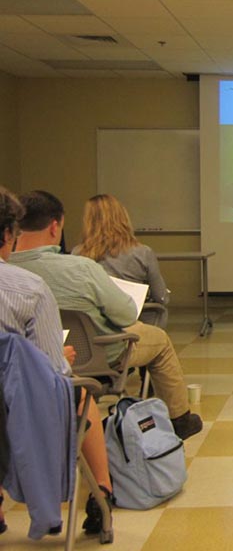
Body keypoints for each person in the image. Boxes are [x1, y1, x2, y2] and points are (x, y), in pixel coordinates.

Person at [10, 191, 203, 440]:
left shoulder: (11, 271)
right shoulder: (80, 268)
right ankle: (180, 419)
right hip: (99, 352)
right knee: (160, 340)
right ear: (55, 226)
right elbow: (125, 314)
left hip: (31, 360)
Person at [0, 187, 113, 536]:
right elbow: (54, 374)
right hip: (16, 408)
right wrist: (44, 358)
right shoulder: (28, 288)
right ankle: (104, 496)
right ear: (8, 235)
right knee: (79, 391)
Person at [73, 194, 169, 328]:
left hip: (94, 327)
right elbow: (161, 297)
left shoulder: (77, 254)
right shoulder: (142, 252)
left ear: (88, 221)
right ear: (122, 217)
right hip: (134, 324)